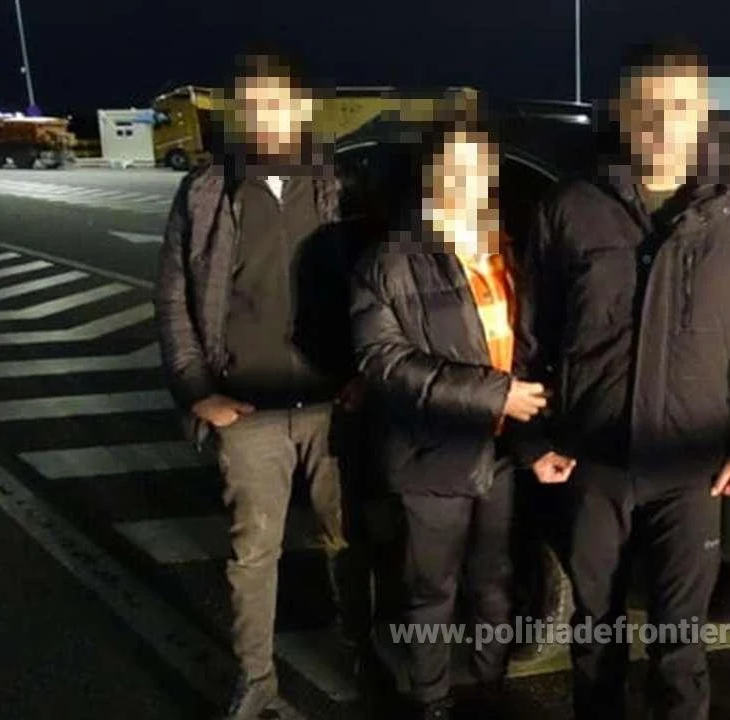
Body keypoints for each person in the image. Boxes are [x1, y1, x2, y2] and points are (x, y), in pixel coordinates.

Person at [512, 40, 730, 720]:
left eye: (677, 106)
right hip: (592, 462)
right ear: (621, 111)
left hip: (692, 469)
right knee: (595, 634)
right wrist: (534, 440)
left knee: (680, 646)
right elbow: (533, 337)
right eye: (645, 106)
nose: (661, 123)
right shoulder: (571, 207)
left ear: (702, 113)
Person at [153, 50, 367, 720]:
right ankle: (255, 679)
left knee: (347, 536)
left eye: (276, 103)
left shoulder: (337, 184)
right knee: (254, 553)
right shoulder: (208, 193)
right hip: (248, 410)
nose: (263, 117)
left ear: (302, 107)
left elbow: (375, 285)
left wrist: (364, 374)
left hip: (333, 404)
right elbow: (174, 300)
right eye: (250, 105)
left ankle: (360, 648)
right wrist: (198, 391)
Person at [350, 119, 547, 720]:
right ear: (430, 175)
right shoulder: (390, 260)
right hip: (429, 455)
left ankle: (489, 687)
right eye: (453, 169)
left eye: (478, 169)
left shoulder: (506, 248)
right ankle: (431, 699)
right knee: (431, 591)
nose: (466, 182)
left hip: (500, 453)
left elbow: (530, 342)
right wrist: (494, 395)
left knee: (493, 580)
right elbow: (383, 362)